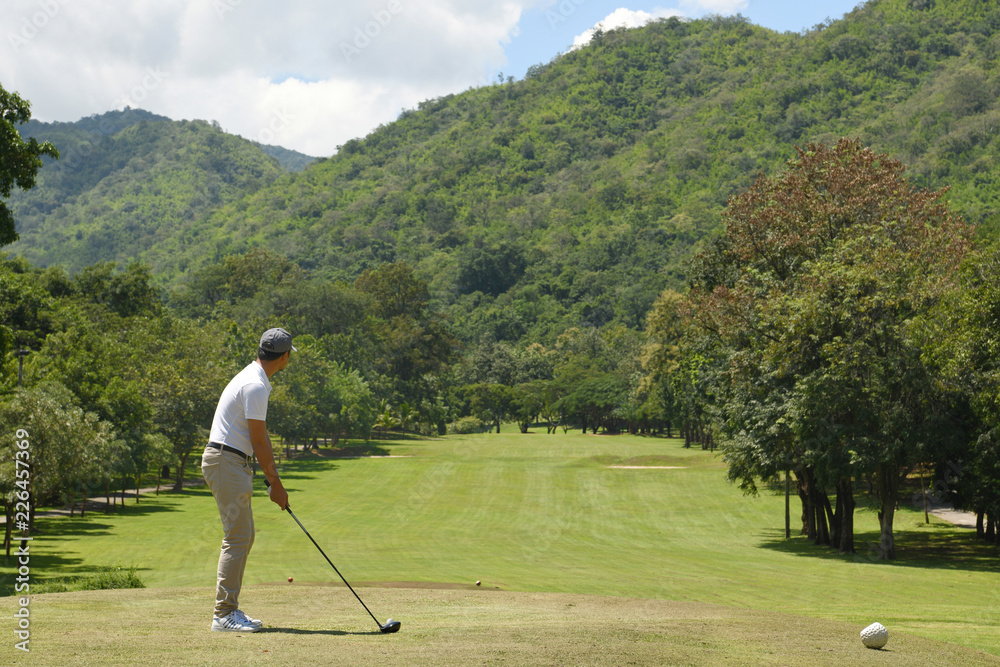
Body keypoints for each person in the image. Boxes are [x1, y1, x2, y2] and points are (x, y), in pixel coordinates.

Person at [202, 327, 293, 632]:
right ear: (284, 356)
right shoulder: (255, 385)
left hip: (230, 461)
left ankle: (228, 610)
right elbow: (259, 439)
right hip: (226, 460)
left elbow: (255, 440)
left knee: (244, 535)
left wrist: (270, 482)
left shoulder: (253, 377)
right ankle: (224, 614)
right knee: (238, 537)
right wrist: (276, 484)